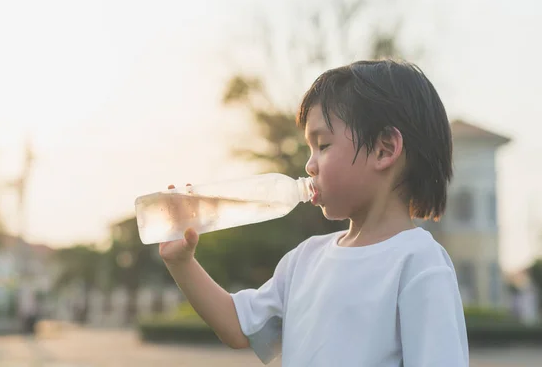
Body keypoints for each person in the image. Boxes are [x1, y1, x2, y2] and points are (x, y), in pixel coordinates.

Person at [160, 59, 469, 366]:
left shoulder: (418, 263)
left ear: (384, 149)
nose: (309, 165)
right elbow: (238, 328)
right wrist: (181, 262)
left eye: (323, 145)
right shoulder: (304, 259)